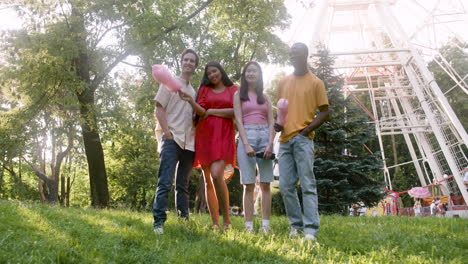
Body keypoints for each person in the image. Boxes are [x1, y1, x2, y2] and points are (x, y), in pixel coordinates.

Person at [275, 43, 330, 241]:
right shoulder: (283, 82)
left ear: (305, 55)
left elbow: (325, 111)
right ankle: (296, 226)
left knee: (307, 185)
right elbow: (281, 111)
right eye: (290, 53)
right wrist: (278, 125)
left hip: (304, 139)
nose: (291, 56)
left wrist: (307, 130)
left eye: (295, 53)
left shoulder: (316, 82)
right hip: (284, 140)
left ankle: (311, 230)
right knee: (285, 186)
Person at [179, 61, 237, 230]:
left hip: (223, 135)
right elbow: (201, 112)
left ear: (221, 71)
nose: (212, 75)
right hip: (205, 136)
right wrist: (191, 100)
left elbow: (236, 111)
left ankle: (227, 221)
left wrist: (212, 112)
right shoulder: (204, 90)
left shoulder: (233, 90)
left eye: (215, 71)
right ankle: (215, 224)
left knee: (217, 174)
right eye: (209, 73)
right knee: (207, 180)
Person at [152, 49, 199, 234]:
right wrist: (167, 133)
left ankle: (183, 221)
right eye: (186, 59)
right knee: (165, 182)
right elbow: (159, 109)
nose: (188, 62)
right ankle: (158, 223)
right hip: (172, 139)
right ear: (181, 62)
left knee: (183, 185)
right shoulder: (168, 83)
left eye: (192, 61)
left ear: (195, 66)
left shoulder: (193, 91)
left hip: (189, 144)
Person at [233, 61, 275, 234]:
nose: (251, 74)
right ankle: (248, 226)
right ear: (245, 75)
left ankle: (266, 226)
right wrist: (246, 144)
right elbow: (238, 121)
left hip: (265, 136)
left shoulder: (265, 97)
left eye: (255, 71)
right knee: (248, 185)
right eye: (248, 71)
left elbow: (272, 121)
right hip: (246, 137)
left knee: (265, 184)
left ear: (259, 75)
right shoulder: (238, 95)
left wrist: (270, 144)